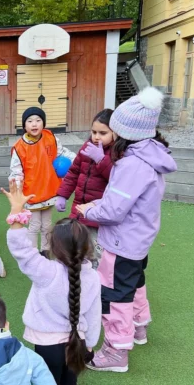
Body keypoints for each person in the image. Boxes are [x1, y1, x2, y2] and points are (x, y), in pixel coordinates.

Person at [2, 179, 146, 385]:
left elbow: (21, 250)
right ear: (87, 247)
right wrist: (89, 345)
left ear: (55, 247)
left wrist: (17, 212)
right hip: (76, 346)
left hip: (48, 347)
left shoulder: (46, 272)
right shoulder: (92, 277)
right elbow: (93, 316)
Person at [76, 87, 177, 372]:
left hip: (121, 243)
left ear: (124, 132)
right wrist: (101, 202)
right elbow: (127, 200)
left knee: (114, 294)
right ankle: (138, 326)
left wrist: (88, 210)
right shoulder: (150, 156)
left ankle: (116, 350)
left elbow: (113, 211)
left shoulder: (131, 164)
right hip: (138, 239)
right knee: (135, 283)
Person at [9, 106, 76, 257]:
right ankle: (33, 253)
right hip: (31, 193)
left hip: (49, 190)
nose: (34, 124)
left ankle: (45, 251)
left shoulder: (50, 138)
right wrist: (18, 192)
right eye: (30, 121)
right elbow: (16, 172)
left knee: (47, 225)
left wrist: (77, 159)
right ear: (24, 125)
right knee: (34, 225)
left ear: (43, 123)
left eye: (38, 120)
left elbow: (62, 153)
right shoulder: (19, 147)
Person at [56, 109, 115, 268]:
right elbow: (73, 172)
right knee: (76, 249)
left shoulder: (117, 152)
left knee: (96, 253)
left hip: (98, 215)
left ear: (115, 133)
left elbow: (117, 179)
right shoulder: (87, 147)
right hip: (79, 211)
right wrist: (62, 195)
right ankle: (76, 277)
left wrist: (101, 160)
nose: (96, 137)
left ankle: (97, 279)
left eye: (103, 133)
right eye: (94, 132)